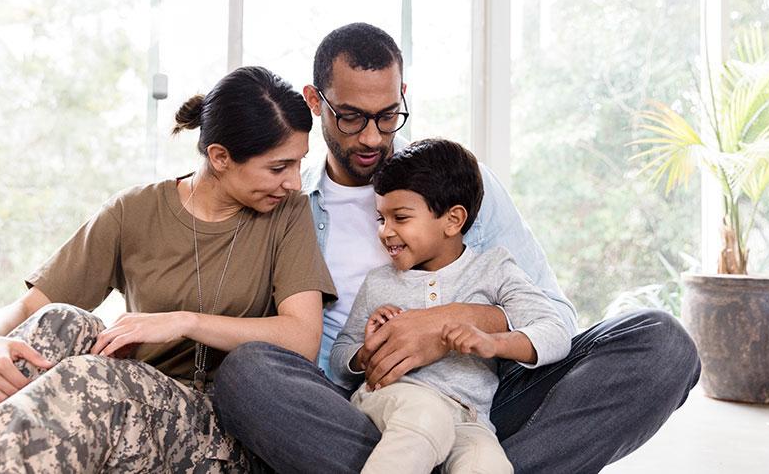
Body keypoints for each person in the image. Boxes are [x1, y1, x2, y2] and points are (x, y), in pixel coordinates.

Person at [213, 23, 701, 473]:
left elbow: (553, 316)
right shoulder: (287, 202)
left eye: (388, 117)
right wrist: (366, 356)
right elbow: (317, 355)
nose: (372, 137)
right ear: (316, 102)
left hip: (482, 401)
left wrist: (445, 326)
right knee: (247, 375)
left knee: (662, 344)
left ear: (403, 95)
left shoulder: (461, 183)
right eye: (351, 118)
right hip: (364, 408)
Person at [0, 66, 335, 473]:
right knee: (61, 322)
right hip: (132, 404)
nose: (294, 181)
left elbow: (302, 336)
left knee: (93, 381)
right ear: (219, 157)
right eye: (279, 167)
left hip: (217, 430)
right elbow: (31, 309)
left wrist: (184, 321)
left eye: (297, 164)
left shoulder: (286, 213)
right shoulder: (136, 209)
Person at [330, 138, 571, 474]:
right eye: (380, 219)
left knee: (490, 467)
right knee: (427, 417)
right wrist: (365, 353)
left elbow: (555, 332)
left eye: (400, 217)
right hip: (395, 401)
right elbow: (341, 355)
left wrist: (495, 343)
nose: (386, 232)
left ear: (453, 220)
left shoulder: (494, 269)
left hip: (469, 417)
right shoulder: (380, 283)